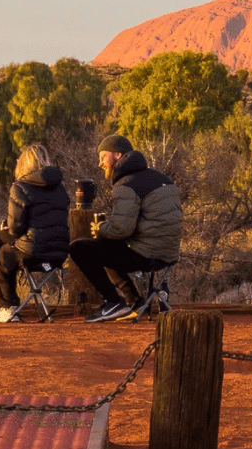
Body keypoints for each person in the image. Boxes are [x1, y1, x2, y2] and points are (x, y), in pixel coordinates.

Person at [68, 134, 182, 323]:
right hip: (168, 254)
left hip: (146, 256)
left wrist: (100, 228)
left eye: (103, 157)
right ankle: (134, 302)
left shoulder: (126, 184)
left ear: (117, 155)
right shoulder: (160, 177)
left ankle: (114, 302)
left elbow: (121, 230)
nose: (100, 163)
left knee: (79, 249)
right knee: (107, 246)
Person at [0, 143, 72, 322]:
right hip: (57, 257)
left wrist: (10, 228)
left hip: (33, 254)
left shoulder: (20, 187)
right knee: (3, 238)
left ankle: (4, 305)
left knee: (3, 249)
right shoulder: (60, 188)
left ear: (23, 164)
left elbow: (16, 230)